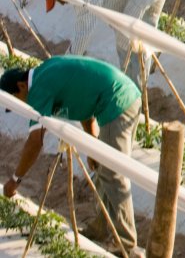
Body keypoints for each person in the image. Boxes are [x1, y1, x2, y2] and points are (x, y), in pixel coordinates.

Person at [3, 56, 142, 255]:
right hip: (119, 95)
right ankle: (101, 229)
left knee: (113, 173)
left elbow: (35, 142)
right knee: (103, 168)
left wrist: (16, 179)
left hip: (117, 101)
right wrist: (92, 144)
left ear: (21, 86)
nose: (23, 105)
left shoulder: (39, 88)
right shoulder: (44, 74)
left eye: (18, 100)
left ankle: (127, 244)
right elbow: (83, 105)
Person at [42, 0, 169, 79]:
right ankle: (138, 86)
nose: (61, 3)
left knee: (126, 41)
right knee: (143, 43)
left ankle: (135, 88)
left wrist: (64, 65)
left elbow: (83, 33)